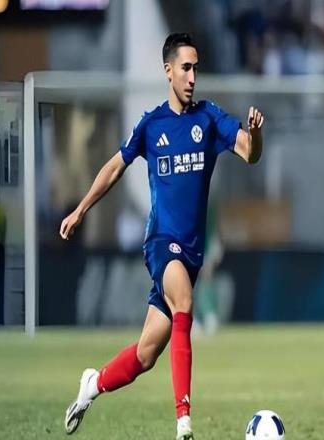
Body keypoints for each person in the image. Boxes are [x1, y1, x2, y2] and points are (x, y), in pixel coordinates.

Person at [59, 32, 264, 440]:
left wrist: (256, 134)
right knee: (184, 300)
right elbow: (114, 167)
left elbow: (250, 153)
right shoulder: (152, 124)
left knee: (145, 355)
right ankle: (183, 420)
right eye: (185, 68)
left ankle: (92, 385)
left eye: (196, 68)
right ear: (168, 71)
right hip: (160, 243)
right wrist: (81, 209)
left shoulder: (209, 118)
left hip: (191, 254)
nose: (192, 77)